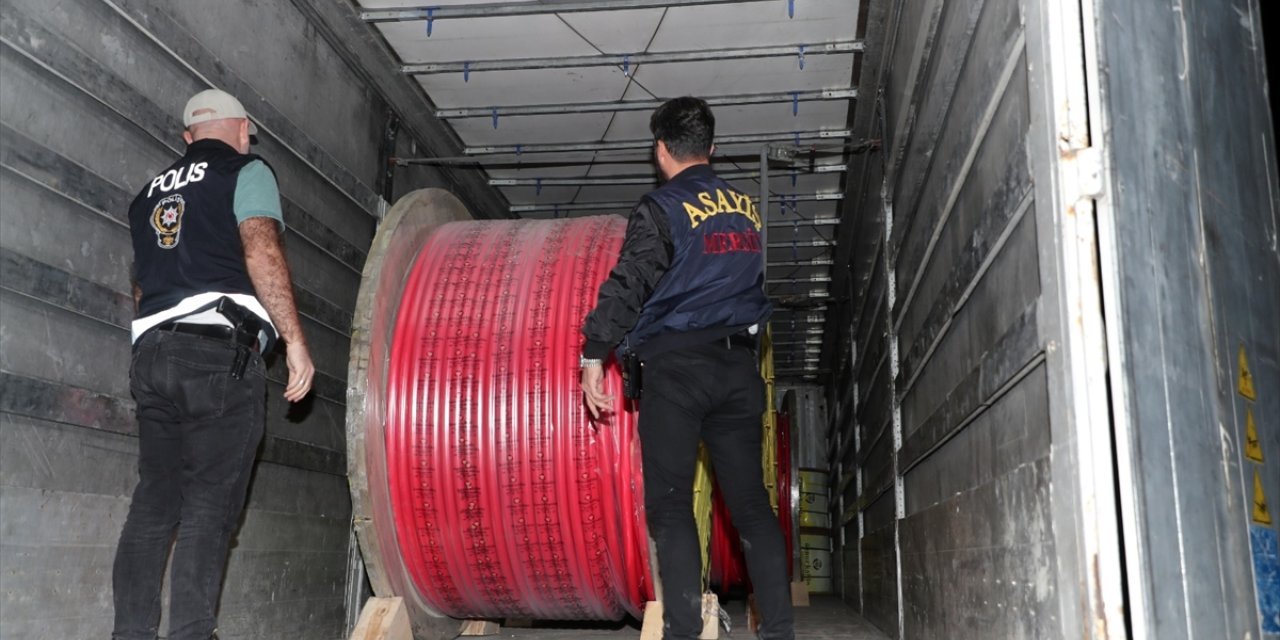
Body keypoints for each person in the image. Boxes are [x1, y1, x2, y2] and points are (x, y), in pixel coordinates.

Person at [580, 97, 794, 640]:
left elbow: (631, 282)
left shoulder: (662, 207)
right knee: (750, 506)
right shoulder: (747, 208)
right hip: (738, 367)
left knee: (672, 506)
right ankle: (781, 633)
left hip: (676, 369)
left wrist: (593, 352)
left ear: (660, 149)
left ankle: (681, 634)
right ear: (712, 148)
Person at [112, 88, 314, 640]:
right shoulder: (246, 170)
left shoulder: (146, 195)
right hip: (217, 355)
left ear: (187, 138)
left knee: (154, 504)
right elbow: (260, 248)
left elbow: (139, 284)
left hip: (152, 355)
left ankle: (130, 633)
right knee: (210, 506)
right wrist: (294, 340)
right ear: (244, 128)